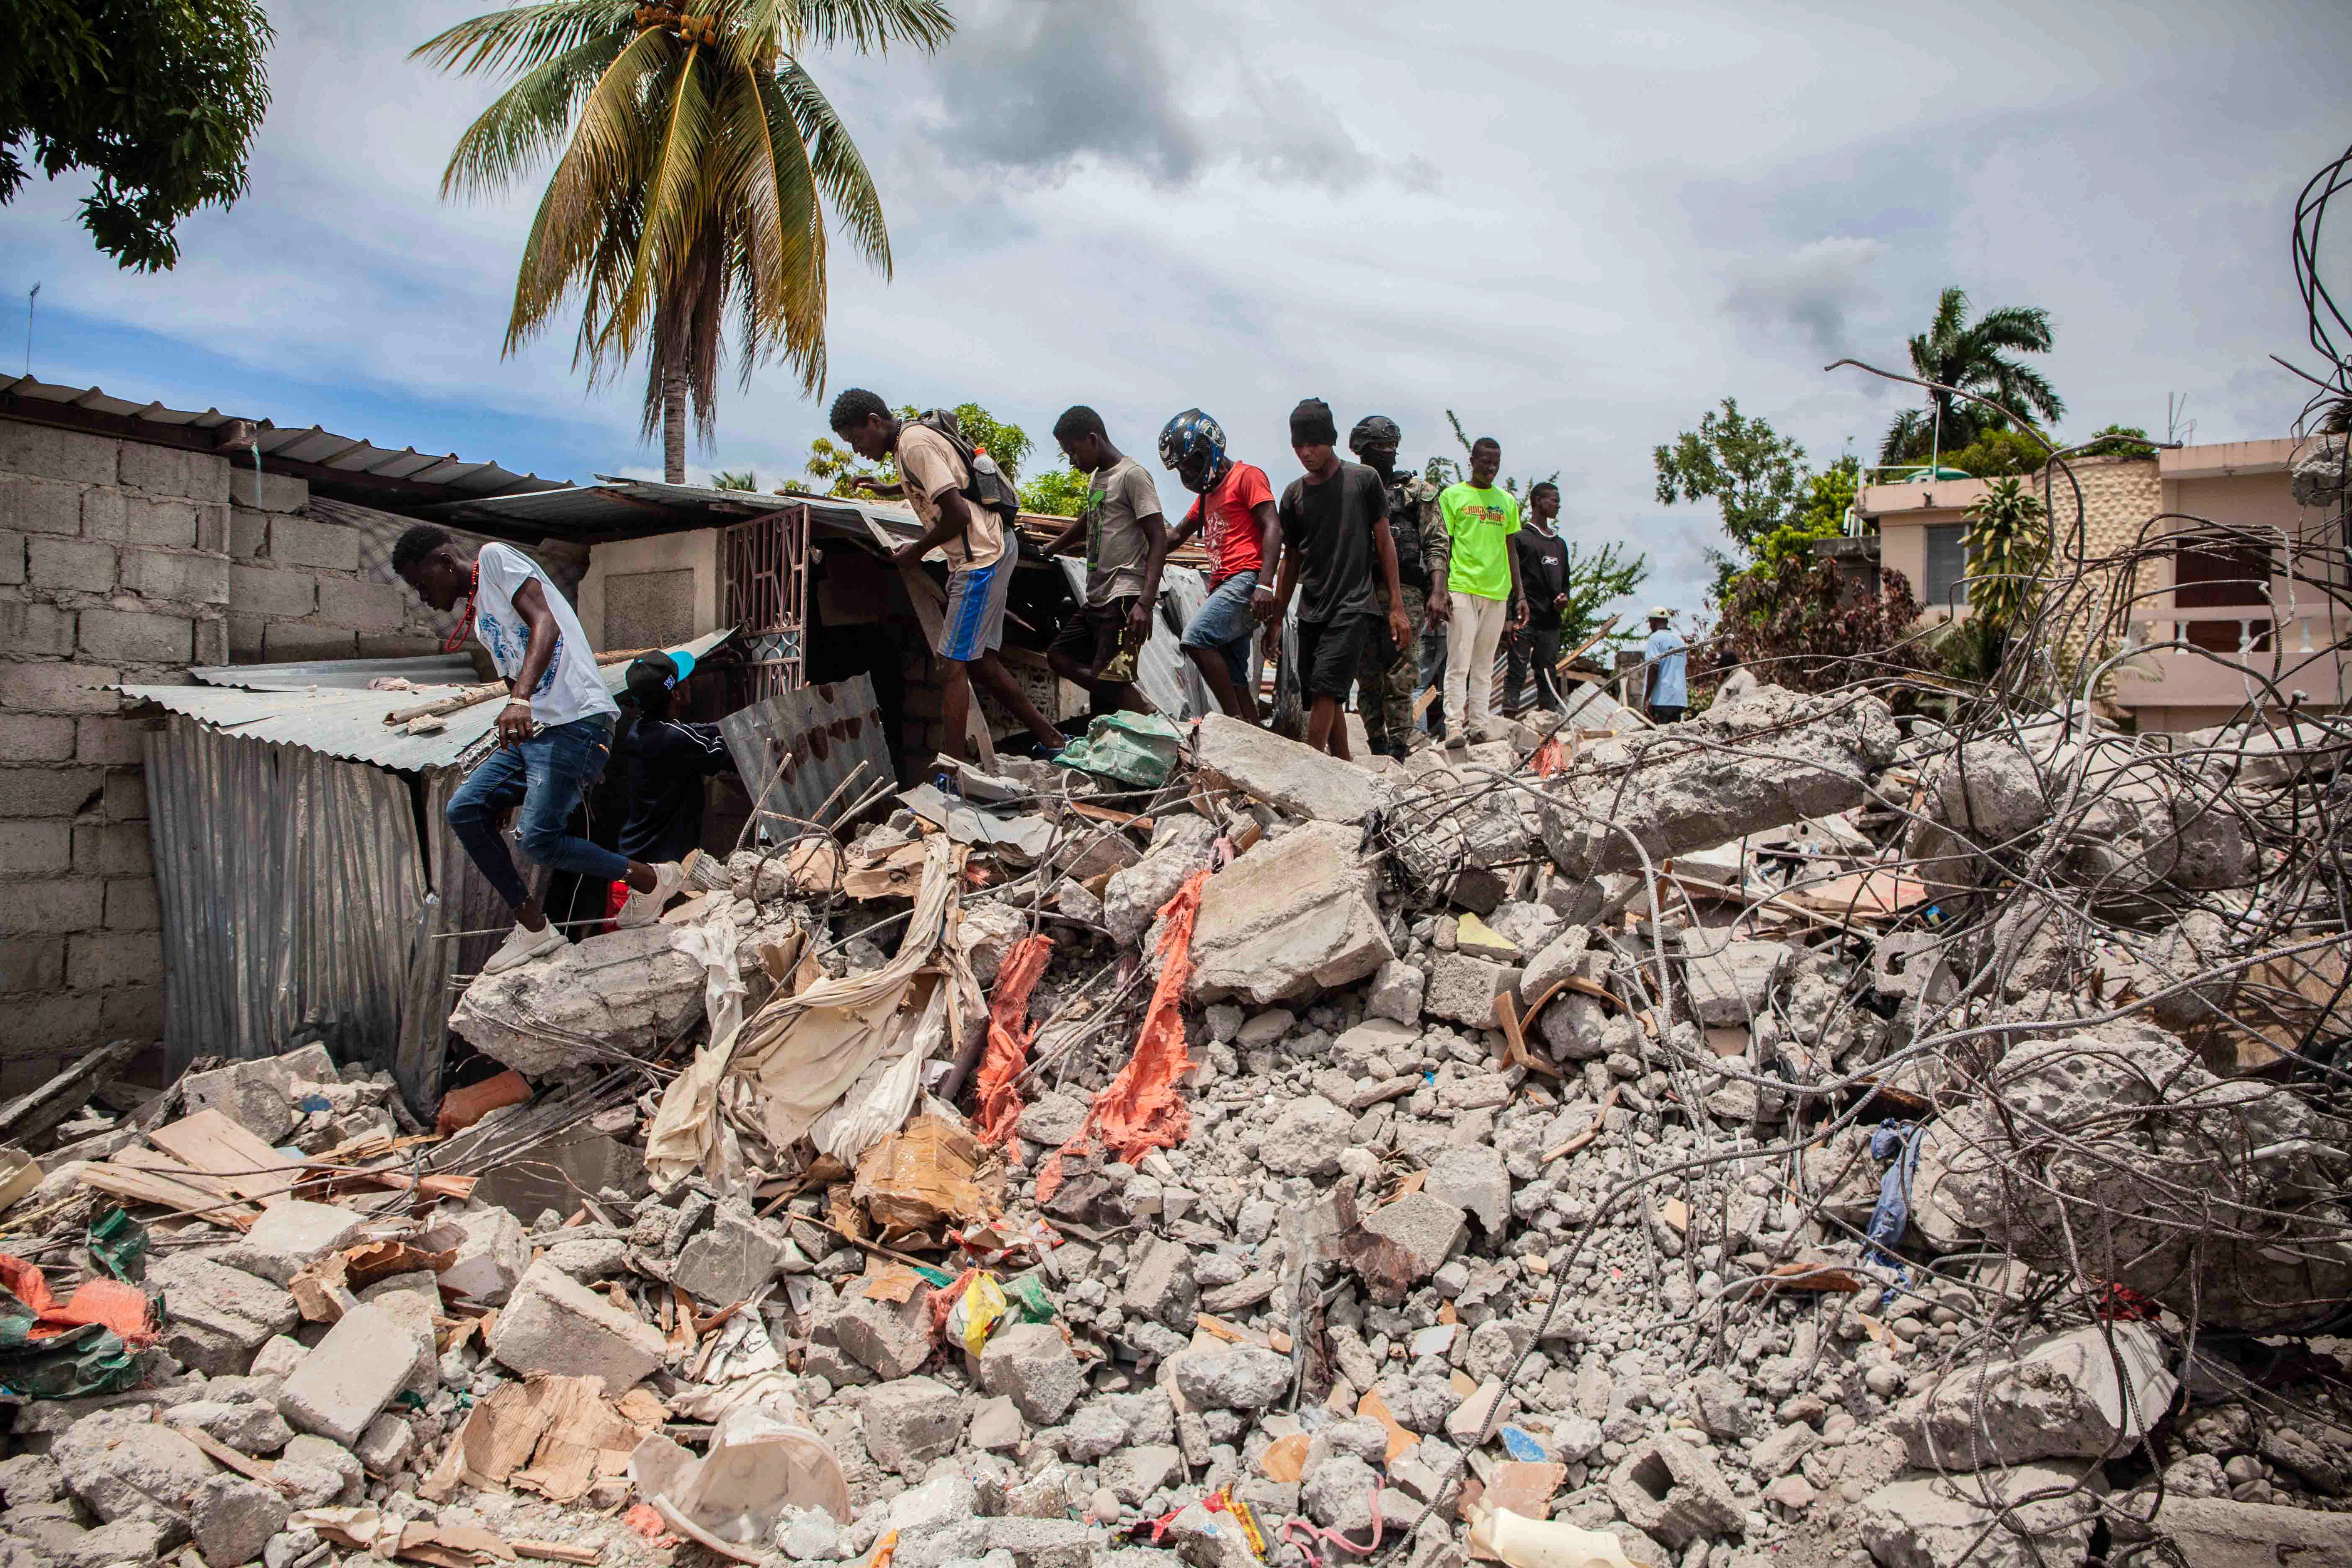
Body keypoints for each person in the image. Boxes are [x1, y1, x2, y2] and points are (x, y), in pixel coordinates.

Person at [391, 526, 681, 973]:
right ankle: (532, 927)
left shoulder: (494, 560)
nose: (422, 597)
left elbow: (546, 624)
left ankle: (649, 879)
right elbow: (514, 675)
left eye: (422, 583)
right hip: (541, 732)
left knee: (539, 840)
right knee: (467, 808)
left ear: (446, 562)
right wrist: (512, 783)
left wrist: (520, 699)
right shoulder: (480, 616)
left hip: (578, 720)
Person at [828, 389, 1065, 761]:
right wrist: (889, 490)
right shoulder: (910, 442)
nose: (858, 449)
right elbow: (941, 482)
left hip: (980, 557)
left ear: (875, 422)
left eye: (857, 439)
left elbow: (958, 514)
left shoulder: (914, 444)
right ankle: (1052, 739)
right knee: (981, 662)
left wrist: (915, 552)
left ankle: (953, 771)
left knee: (952, 664)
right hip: (989, 549)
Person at [1266, 398, 1412, 760]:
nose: (1305, 453)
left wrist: (1396, 605)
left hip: (1353, 604)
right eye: (1298, 446)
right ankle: (1344, 763)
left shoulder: (1364, 481)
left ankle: (1311, 767)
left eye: (1312, 444)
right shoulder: (1294, 494)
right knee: (1324, 692)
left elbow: (1385, 542)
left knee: (1325, 689)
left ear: (1330, 440)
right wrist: (1276, 619)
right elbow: (1292, 560)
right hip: (1312, 608)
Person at [1039, 407, 1166, 717]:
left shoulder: (1133, 476)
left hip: (1124, 598)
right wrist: (1052, 547)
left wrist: (1145, 604)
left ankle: (1149, 717)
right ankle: (1129, 702)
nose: (1072, 461)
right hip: (1097, 597)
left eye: (1073, 451)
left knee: (1107, 692)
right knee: (1059, 656)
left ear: (1093, 440)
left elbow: (1159, 539)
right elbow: (1091, 518)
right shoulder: (1100, 478)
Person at [1162, 409, 1279, 722]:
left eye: (1192, 462)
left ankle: (1233, 722)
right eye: (1182, 468)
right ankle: (1255, 738)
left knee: (1196, 638)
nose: (1188, 472)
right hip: (1223, 585)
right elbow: (1175, 536)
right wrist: (1140, 540)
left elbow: (1272, 526)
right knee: (1234, 674)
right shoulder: (1206, 497)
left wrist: (1265, 585)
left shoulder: (1247, 477)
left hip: (1246, 580)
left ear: (1210, 447)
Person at [603, 651, 735, 926]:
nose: (691, 683)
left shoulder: (638, 731)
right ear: (676, 694)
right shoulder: (675, 739)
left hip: (631, 866)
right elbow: (727, 754)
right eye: (684, 680)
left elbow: (700, 731)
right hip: (660, 878)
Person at [1346, 415, 1449, 760]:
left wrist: (1438, 591)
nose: (1387, 453)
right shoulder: (1349, 489)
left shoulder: (1417, 491)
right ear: (1361, 450)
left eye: (1392, 447)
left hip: (1406, 592)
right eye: (1379, 447)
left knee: (1402, 673)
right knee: (1368, 675)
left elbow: (1436, 543)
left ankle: (1400, 748)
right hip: (1360, 591)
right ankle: (1378, 749)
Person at [1435, 437, 1525, 747]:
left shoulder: (1508, 502)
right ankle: (1454, 728)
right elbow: (1442, 544)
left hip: (1497, 592)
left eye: (1496, 465)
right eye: (1485, 463)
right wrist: (1441, 589)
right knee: (1460, 661)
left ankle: (1478, 726)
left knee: (1485, 665)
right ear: (1472, 461)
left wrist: (1520, 596)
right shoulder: (1452, 496)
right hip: (1461, 587)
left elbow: (1512, 550)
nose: (1490, 469)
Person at [1505, 481, 1571, 717]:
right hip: (1525, 619)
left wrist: (1564, 600)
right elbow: (1510, 579)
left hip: (1550, 622)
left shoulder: (1560, 545)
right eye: (1554, 500)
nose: (1558, 505)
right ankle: (1508, 723)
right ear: (1538, 502)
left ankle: (1549, 723)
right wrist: (1509, 617)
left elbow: (1565, 583)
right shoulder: (1521, 539)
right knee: (1516, 671)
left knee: (1547, 672)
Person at [1644, 606, 1689, 723]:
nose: (1650, 625)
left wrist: (1647, 698)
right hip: (1679, 700)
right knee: (1674, 738)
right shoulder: (1680, 641)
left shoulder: (1655, 639)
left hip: (1662, 699)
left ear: (1654, 621)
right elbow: (1683, 667)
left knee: (1661, 738)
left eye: (1650, 622)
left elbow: (1654, 667)